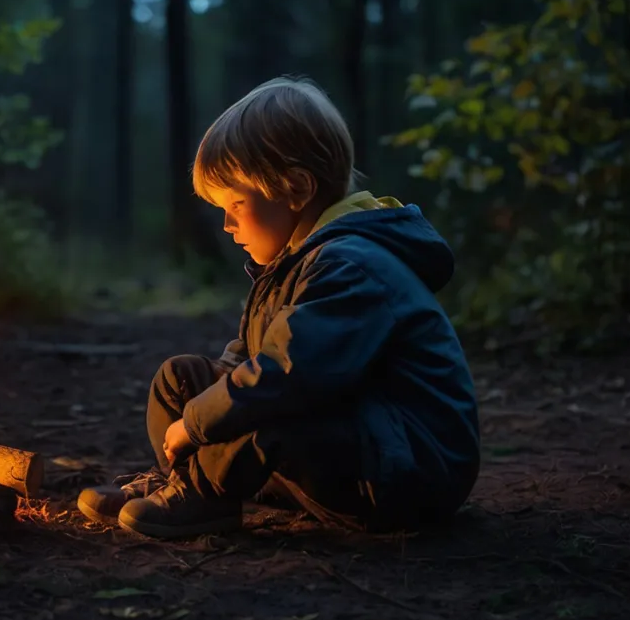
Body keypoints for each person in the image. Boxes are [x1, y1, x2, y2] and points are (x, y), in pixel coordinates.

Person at [77, 77, 481, 539]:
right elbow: (253, 362)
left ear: (296, 188)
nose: (227, 225)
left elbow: (289, 374)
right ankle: (188, 486)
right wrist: (202, 401)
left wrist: (196, 422)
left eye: (235, 203)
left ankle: (202, 493)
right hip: (350, 445)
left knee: (270, 403)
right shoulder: (301, 260)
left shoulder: (352, 266)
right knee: (181, 379)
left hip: (404, 474)